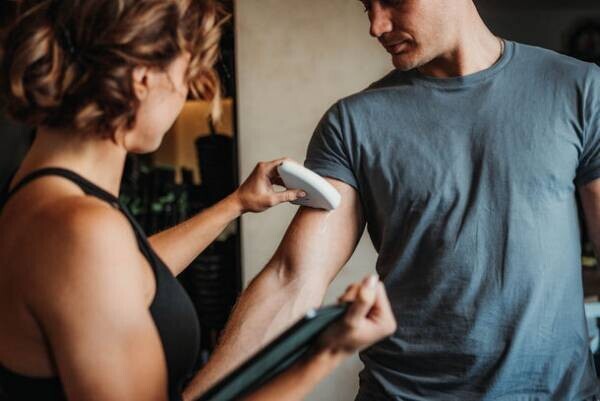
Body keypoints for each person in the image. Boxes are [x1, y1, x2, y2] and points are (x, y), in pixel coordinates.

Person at [184, 0, 600, 400]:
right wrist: (199, 397)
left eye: (394, 1)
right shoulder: (352, 124)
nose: (376, 26)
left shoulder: (579, 89)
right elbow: (292, 279)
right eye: (368, 6)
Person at [0, 1, 398, 401]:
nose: (185, 93)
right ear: (143, 79)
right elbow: (100, 263)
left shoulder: (39, 198)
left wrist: (235, 204)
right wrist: (325, 354)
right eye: (185, 74)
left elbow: (132, 274)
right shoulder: (83, 232)